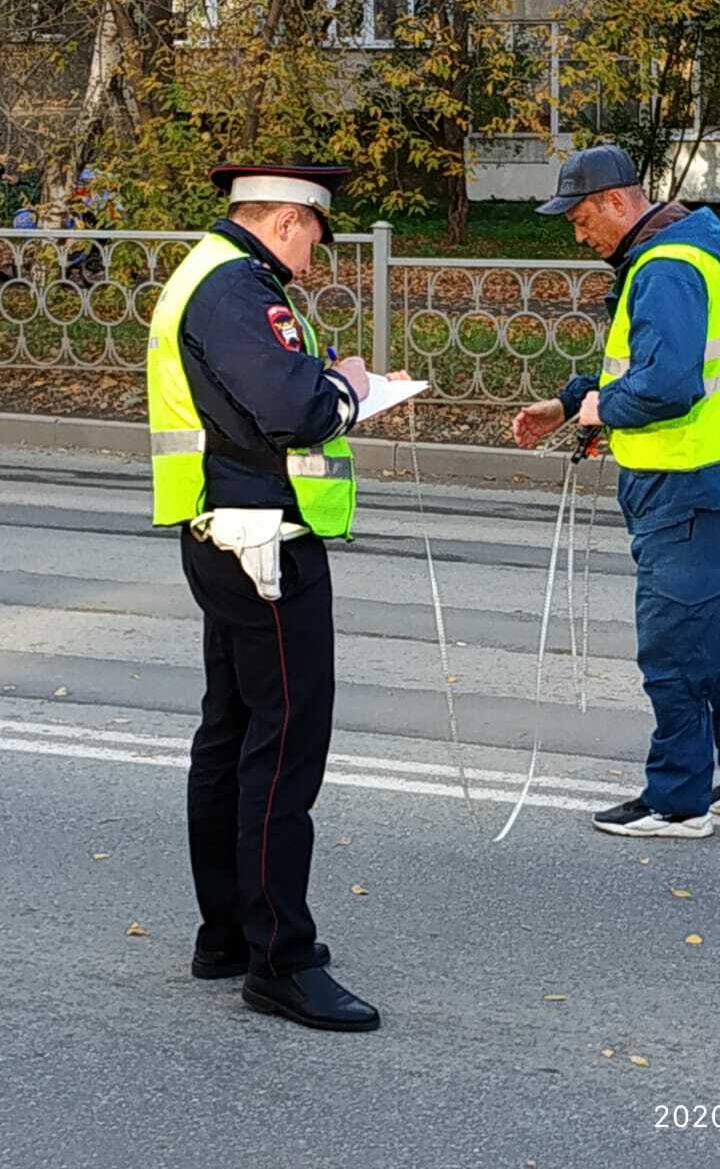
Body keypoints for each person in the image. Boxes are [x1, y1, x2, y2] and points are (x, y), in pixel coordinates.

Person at [147, 163, 403, 1030]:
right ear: (290, 220)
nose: (316, 252)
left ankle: (227, 934)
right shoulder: (233, 288)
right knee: (282, 748)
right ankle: (279, 961)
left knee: (231, 734)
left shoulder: (210, 275)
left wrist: (323, 379)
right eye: (316, 234)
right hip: (265, 545)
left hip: (226, 533)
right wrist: (351, 389)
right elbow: (294, 410)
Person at [512, 145, 720, 840]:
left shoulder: (664, 269)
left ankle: (677, 802)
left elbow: (667, 385)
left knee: (675, 652)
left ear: (616, 202)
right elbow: (646, 365)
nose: (581, 238)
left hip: (689, 486)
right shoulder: (687, 254)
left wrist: (601, 411)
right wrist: (571, 401)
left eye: (582, 220)